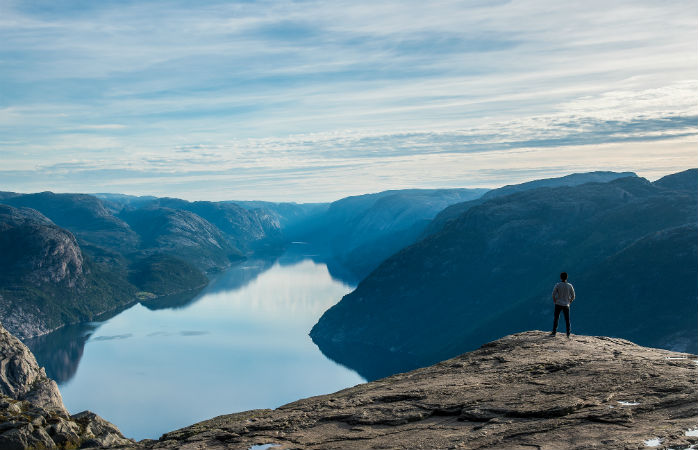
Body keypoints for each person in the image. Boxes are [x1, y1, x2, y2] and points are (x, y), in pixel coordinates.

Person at [550, 272, 575, 338]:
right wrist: (569, 302)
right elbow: (573, 296)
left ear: (561, 277)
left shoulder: (558, 285)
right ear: (567, 277)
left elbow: (553, 294)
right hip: (566, 304)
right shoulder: (570, 285)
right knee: (567, 319)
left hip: (558, 303)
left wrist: (555, 301)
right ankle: (568, 333)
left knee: (556, 318)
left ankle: (554, 332)